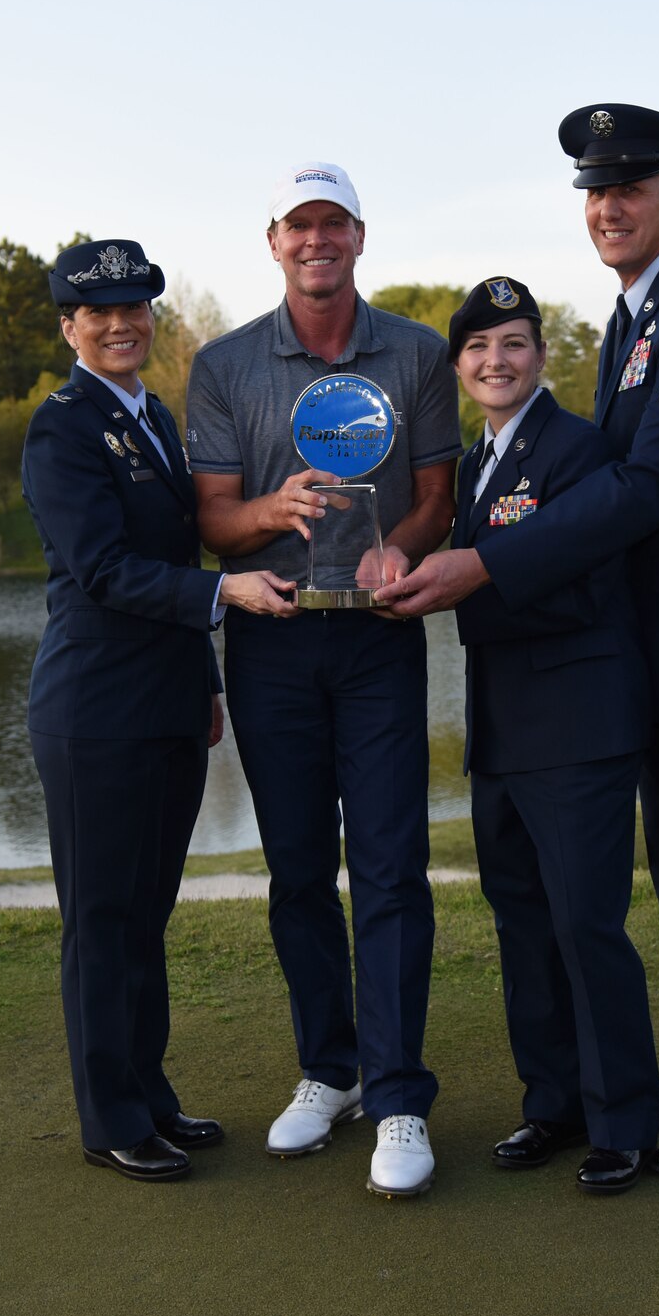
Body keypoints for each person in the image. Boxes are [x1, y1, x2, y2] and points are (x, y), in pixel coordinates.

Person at [378, 106, 659, 1177]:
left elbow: (647, 484)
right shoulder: (633, 320)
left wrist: (485, 563)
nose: (608, 205)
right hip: (656, 652)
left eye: (631, 185)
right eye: (593, 190)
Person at [185, 163, 461, 1198]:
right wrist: (276, 509)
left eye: (332, 224)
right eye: (299, 226)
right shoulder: (222, 364)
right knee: (299, 870)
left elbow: (436, 493)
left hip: (380, 635)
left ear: (357, 235)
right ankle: (329, 1068)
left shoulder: (419, 352)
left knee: (389, 866)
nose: (316, 241)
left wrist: (395, 547)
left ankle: (397, 1097)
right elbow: (211, 518)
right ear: (272, 240)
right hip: (272, 640)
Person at [23, 238, 298, 1183]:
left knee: (145, 916)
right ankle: (110, 1120)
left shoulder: (156, 419)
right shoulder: (62, 427)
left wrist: (207, 685)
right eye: (98, 312)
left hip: (168, 706)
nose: (119, 323)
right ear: (70, 326)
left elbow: (175, 558)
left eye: (135, 308)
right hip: (94, 713)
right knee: (102, 921)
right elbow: (101, 570)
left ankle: (150, 1094)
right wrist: (229, 599)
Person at [444, 276, 659, 1194]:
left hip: (578, 728)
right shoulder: (467, 464)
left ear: (542, 357)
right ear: (459, 366)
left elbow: (579, 580)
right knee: (524, 925)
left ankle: (624, 1124)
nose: (498, 361)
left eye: (516, 344)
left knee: (584, 925)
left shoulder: (580, 450)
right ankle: (553, 1106)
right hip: (501, 731)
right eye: (480, 348)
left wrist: (465, 581)